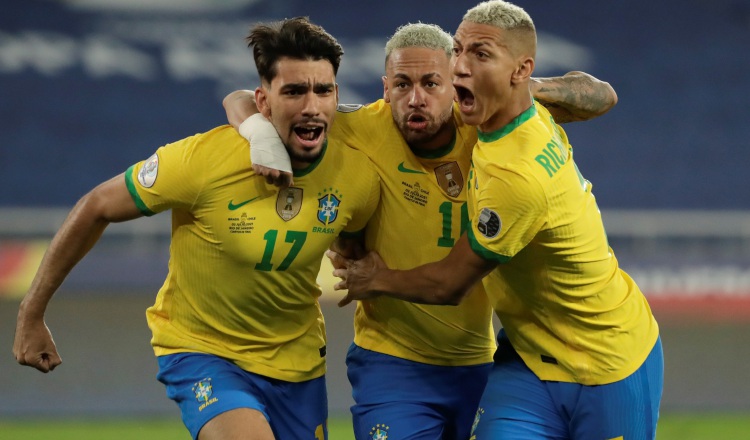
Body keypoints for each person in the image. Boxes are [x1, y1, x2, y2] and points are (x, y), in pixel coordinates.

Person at [224, 22, 618, 440]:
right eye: (401, 84)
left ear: (456, 83)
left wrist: (516, 87)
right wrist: (259, 137)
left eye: (432, 83)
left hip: (479, 362)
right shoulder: (360, 129)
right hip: (391, 363)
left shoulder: (482, 119)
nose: (416, 98)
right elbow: (242, 99)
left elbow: (600, 96)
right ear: (384, 89)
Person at [13, 17, 380, 440]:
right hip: (205, 351)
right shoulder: (203, 161)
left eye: (324, 90)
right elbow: (96, 206)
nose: (312, 105)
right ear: (263, 101)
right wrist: (31, 311)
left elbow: (356, 235)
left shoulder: (358, 166)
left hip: (297, 362)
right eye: (294, 91)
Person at [329, 2, 663, 439]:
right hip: (525, 357)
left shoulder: (514, 175)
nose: (461, 68)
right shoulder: (508, 112)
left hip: (606, 357)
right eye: (459, 52)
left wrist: (376, 279)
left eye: (479, 56)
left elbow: (450, 284)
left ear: (518, 70)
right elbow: (600, 93)